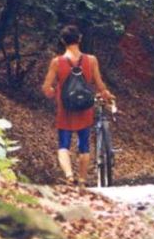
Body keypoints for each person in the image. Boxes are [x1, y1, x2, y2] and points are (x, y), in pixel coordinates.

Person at [41, 25, 114, 185]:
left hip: (65, 108)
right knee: (84, 146)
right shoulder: (91, 60)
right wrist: (106, 95)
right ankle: (82, 180)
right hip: (84, 108)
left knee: (63, 145)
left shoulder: (57, 62)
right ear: (80, 39)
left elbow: (46, 87)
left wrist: (52, 92)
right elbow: (100, 85)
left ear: (62, 41)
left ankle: (69, 176)